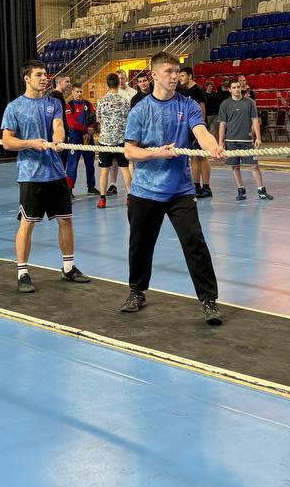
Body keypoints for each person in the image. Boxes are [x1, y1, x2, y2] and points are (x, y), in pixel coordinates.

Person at [120, 52, 226, 325]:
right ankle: (136, 292)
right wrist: (155, 153)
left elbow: (200, 131)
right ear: (154, 75)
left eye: (177, 72)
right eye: (168, 71)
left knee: (195, 244)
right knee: (140, 245)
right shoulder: (140, 110)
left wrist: (213, 146)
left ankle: (209, 300)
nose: (174, 76)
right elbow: (130, 151)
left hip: (180, 190)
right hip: (145, 190)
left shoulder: (187, 105)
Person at [0, 59, 90, 293]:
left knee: (66, 219)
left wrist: (58, 138)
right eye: (38, 75)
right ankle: (22, 273)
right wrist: (31, 143)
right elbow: (7, 141)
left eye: (45, 74)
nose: (44, 78)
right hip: (31, 174)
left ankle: (68, 267)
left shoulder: (54, 103)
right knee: (28, 223)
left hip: (56, 173)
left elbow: (58, 126)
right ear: (27, 78)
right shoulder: (14, 107)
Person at [218, 78, 272, 201]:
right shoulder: (224, 105)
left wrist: (258, 137)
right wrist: (221, 142)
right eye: (234, 87)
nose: (237, 89)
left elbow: (255, 120)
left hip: (247, 140)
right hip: (231, 141)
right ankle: (241, 190)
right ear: (229, 90)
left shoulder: (250, 102)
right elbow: (222, 124)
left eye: (238, 87)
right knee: (235, 166)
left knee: (254, 166)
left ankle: (261, 191)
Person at [94, 72, 132, 208]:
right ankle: (130, 197)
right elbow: (129, 119)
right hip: (121, 140)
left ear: (107, 84)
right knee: (125, 169)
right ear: (118, 83)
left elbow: (99, 120)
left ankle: (102, 199)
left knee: (104, 170)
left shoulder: (101, 101)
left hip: (105, 141)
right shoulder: (125, 101)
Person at [179, 65, 212, 197]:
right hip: (188, 129)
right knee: (193, 157)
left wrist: (200, 129)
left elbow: (202, 110)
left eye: (182, 76)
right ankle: (196, 186)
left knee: (202, 157)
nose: (180, 78)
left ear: (190, 76)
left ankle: (207, 187)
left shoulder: (198, 90)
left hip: (198, 129)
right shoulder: (183, 91)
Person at [63, 85, 98, 195]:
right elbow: (71, 124)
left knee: (90, 164)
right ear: (72, 92)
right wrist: (86, 129)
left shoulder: (88, 104)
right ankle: (69, 189)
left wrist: (91, 130)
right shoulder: (69, 106)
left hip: (88, 139)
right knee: (72, 165)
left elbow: (94, 119)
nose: (79, 94)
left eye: (81, 91)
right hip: (75, 139)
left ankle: (91, 187)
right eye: (77, 91)